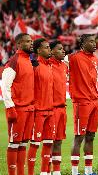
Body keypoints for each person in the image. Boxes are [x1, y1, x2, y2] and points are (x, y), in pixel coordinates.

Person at [2, 33, 34, 175]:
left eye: (31, 41)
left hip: (29, 108)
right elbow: (5, 86)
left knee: (23, 143)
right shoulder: (14, 61)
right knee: (14, 143)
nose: (31, 43)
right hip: (18, 109)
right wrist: (10, 107)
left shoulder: (28, 60)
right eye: (27, 41)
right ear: (19, 44)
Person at [68, 34, 98, 175]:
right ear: (82, 43)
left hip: (94, 101)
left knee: (91, 136)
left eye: (95, 41)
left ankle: (88, 171)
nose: (94, 44)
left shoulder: (95, 58)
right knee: (79, 137)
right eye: (91, 41)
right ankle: (75, 172)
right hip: (81, 102)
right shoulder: (73, 58)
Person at [27, 38, 54, 175]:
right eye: (46, 48)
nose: (49, 50)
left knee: (49, 143)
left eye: (49, 47)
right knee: (35, 143)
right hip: (38, 111)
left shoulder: (49, 66)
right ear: (38, 50)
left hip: (51, 111)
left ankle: (45, 173)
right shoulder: (34, 66)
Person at [49, 40, 67, 175]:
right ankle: (46, 171)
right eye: (60, 49)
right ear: (52, 51)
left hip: (62, 108)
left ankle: (56, 171)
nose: (63, 51)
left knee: (59, 141)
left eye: (63, 49)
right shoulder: (47, 65)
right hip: (51, 109)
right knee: (50, 142)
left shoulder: (64, 66)